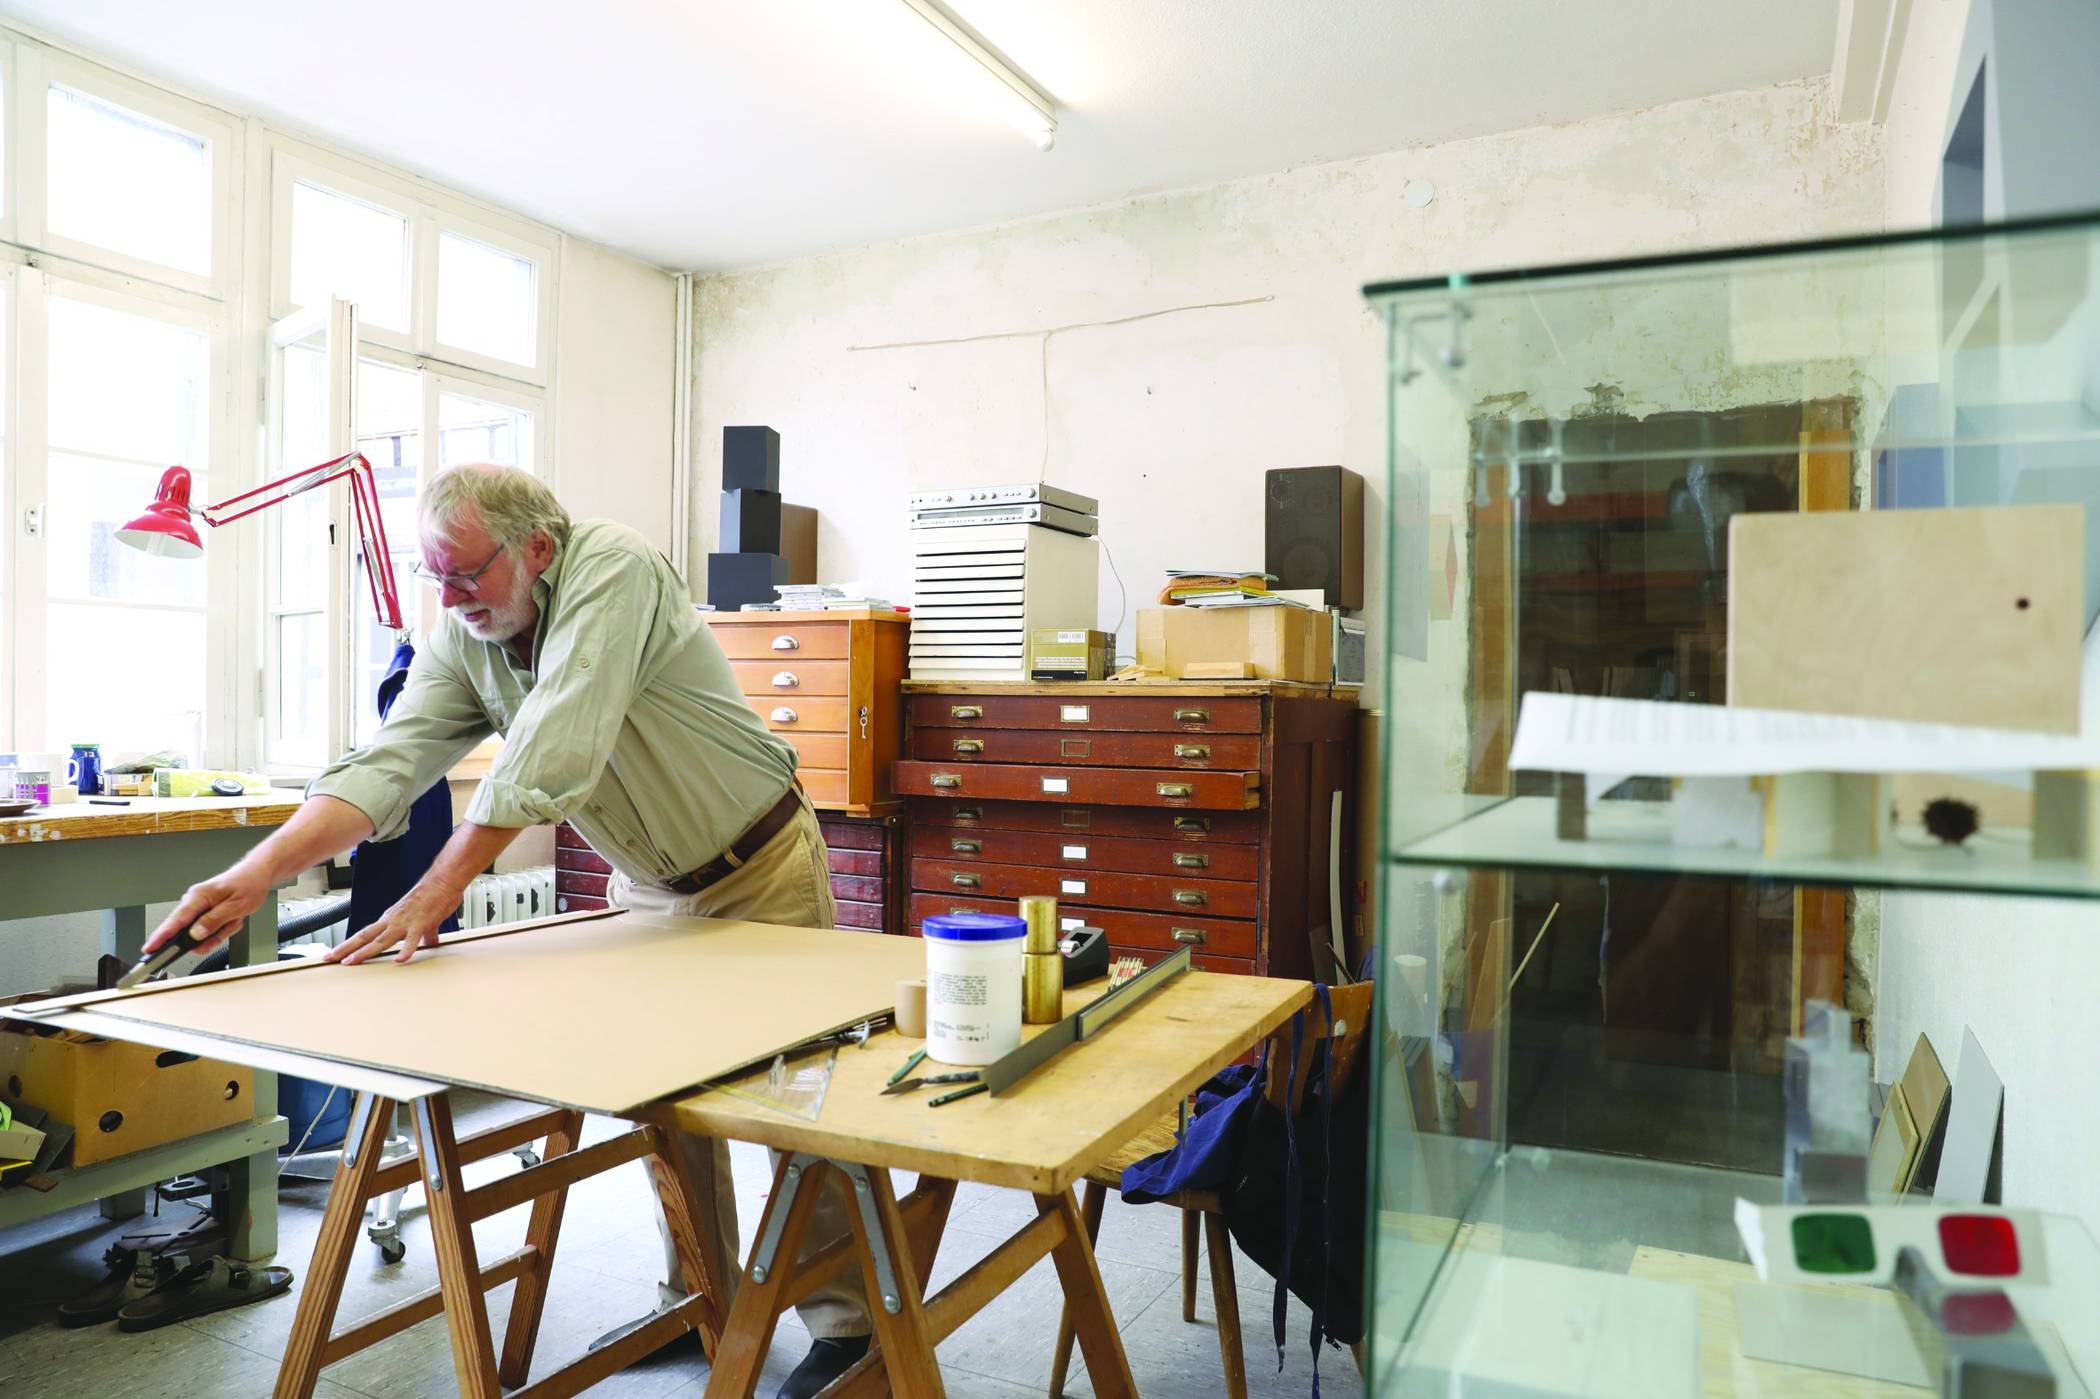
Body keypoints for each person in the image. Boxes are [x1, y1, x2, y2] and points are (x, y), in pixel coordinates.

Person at [142, 464, 871, 1397]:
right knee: (668, 1108)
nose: (447, 599)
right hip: (650, 887)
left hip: (760, 866)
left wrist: (437, 892)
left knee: (793, 1104)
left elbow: (553, 743)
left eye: (464, 573)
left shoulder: (615, 567)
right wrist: (254, 873)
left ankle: (850, 1328)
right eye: (433, 576)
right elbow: (389, 763)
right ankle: (702, 1297)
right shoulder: (462, 634)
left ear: (537, 548)